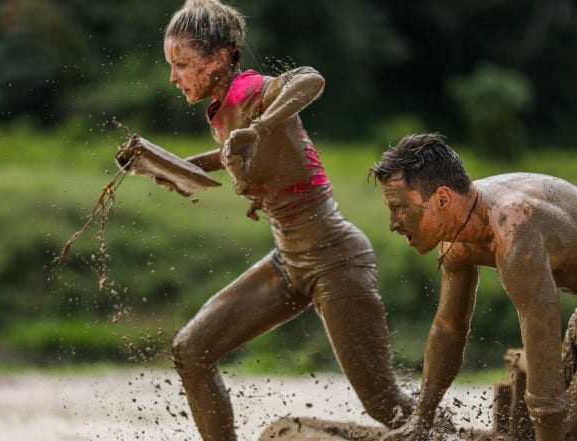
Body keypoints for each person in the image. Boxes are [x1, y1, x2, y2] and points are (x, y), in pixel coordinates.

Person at [119, 1, 416, 439]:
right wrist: (164, 167)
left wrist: (259, 126)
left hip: (334, 257)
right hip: (289, 259)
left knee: (384, 403)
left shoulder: (252, 91)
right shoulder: (222, 111)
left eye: (181, 64)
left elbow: (310, 79)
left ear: (219, 59)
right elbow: (229, 157)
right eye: (171, 64)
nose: (173, 76)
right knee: (191, 350)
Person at [370, 133, 577, 441]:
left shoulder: (516, 227)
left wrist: (551, 423)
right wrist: (421, 421)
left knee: (571, 427)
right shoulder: (456, 238)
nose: (393, 223)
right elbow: (449, 328)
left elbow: (540, 331)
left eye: (399, 208)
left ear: (442, 198)